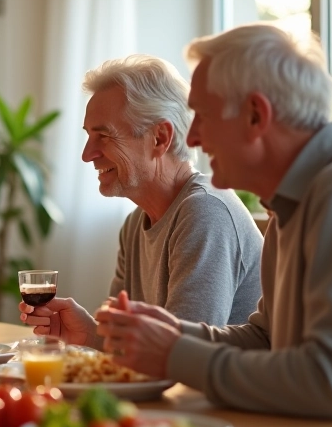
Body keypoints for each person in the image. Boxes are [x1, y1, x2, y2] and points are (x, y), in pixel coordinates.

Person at [96, 23, 332, 427]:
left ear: (256, 115)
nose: (193, 136)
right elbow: (266, 339)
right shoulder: (296, 202)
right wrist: (170, 334)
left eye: (204, 115)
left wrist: (175, 354)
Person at [20, 55, 263, 347]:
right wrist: (89, 333)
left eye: (104, 135)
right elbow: (133, 345)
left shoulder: (205, 212)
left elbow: (182, 357)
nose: (87, 154)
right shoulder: (136, 223)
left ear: (159, 138)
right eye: (88, 136)